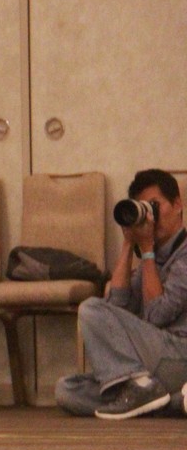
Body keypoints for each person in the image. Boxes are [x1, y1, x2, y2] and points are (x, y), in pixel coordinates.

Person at [55, 168, 187, 419]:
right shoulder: (152, 258)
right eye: (145, 210)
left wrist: (146, 250)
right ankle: (170, 400)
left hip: (179, 356)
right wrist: (129, 242)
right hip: (152, 362)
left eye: (155, 206)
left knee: (90, 308)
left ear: (178, 205)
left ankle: (146, 390)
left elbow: (157, 315)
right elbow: (115, 307)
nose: (152, 217)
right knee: (67, 389)